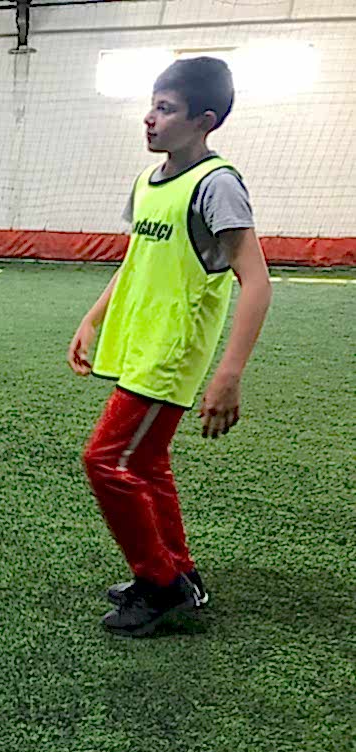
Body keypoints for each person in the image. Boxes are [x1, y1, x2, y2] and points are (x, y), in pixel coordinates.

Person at [67, 57, 273, 637]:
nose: (150, 118)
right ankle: (179, 570)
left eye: (166, 109)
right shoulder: (147, 182)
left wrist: (230, 373)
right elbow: (135, 261)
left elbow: (257, 281)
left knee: (104, 460)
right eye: (151, 106)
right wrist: (92, 319)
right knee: (146, 462)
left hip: (173, 352)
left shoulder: (217, 185)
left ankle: (159, 583)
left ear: (203, 121)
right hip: (142, 344)